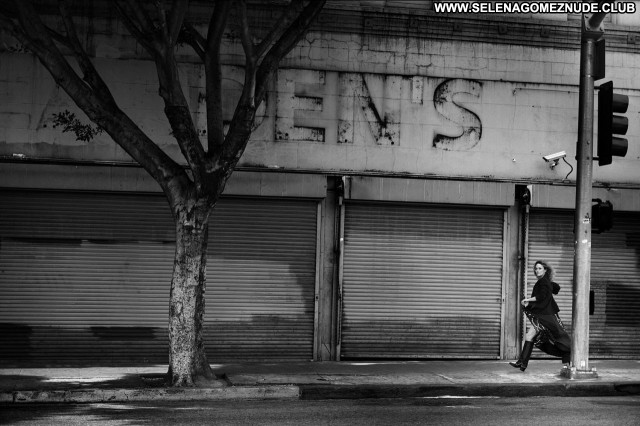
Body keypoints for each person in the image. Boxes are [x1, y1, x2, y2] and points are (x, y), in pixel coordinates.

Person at [509, 261, 571, 372]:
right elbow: (556, 288)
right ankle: (522, 363)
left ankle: (567, 362)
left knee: (560, 339)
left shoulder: (543, 281)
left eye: (540, 268)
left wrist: (528, 300)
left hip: (545, 316)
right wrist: (550, 286)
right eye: (536, 268)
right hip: (544, 315)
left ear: (545, 270)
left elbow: (541, 296)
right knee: (529, 336)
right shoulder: (545, 281)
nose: (537, 270)